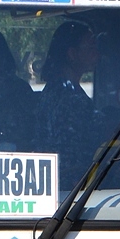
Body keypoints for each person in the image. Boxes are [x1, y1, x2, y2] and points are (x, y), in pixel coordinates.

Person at [38, 21, 104, 183]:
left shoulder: (57, 88)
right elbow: (76, 149)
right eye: (91, 47)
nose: (97, 53)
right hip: (73, 183)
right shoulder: (69, 96)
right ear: (72, 54)